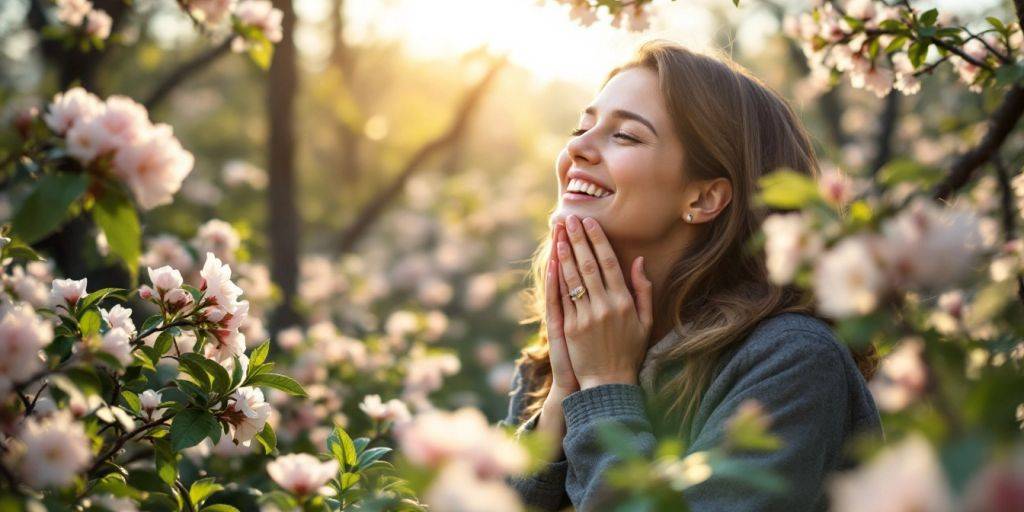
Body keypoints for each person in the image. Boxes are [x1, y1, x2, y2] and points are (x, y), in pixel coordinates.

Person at [498, 40, 883, 511]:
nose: (576, 147)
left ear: (703, 199)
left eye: (625, 136)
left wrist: (603, 389)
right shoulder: (556, 352)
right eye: (582, 127)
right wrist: (563, 395)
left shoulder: (792, 360)